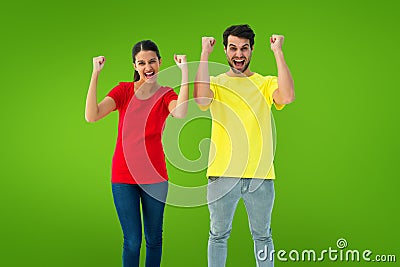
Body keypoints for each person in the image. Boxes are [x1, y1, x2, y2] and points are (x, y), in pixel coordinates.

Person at [194, 24, 295, 266]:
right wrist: (204, 54)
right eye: (233, 48)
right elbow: (200, 100)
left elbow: (287, 96)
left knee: (263, 236)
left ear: (251, 50)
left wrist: (278, 51)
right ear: (226, 51)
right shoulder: (216, 83)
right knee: (218, 235)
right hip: (221, 174)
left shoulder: (265, 83)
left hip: (260, 176)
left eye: (244, 48)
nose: (238, 54)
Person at [85, 40, 188, 267]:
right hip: (123, 178)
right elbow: (92, 115)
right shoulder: (123, 91)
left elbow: (180, 112)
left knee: (154, 239)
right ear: (134, 66)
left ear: (160, 62)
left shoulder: (165, 94)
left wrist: (184, 72)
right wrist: (95, 74)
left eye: (152, 61)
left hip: (155, 178)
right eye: (141, 63)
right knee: (132, 241)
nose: (147, 66)